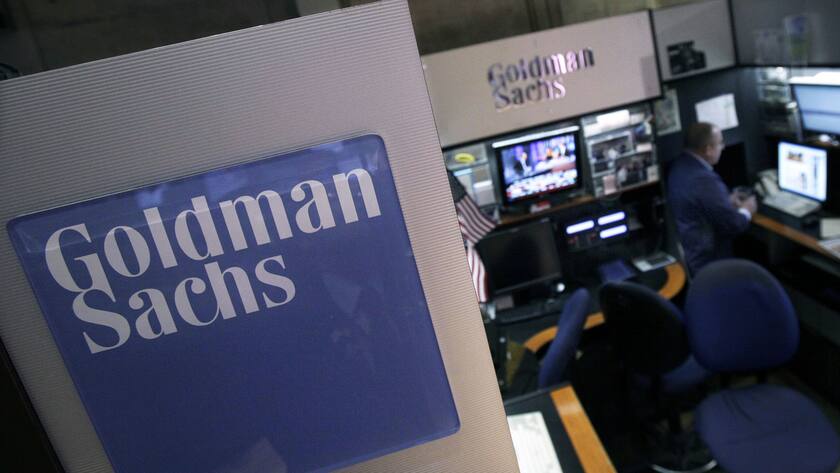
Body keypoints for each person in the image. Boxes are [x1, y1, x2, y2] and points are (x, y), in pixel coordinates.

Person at [667, 122, 757, 275]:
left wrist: (724, 201)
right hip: (710, 263)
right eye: (720, 143)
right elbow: (732, 224)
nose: (723, 147)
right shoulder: (703, 179)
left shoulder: (679, 167)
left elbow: (700, 204)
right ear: (708, 150)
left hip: (691, 257)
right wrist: (747, 210)